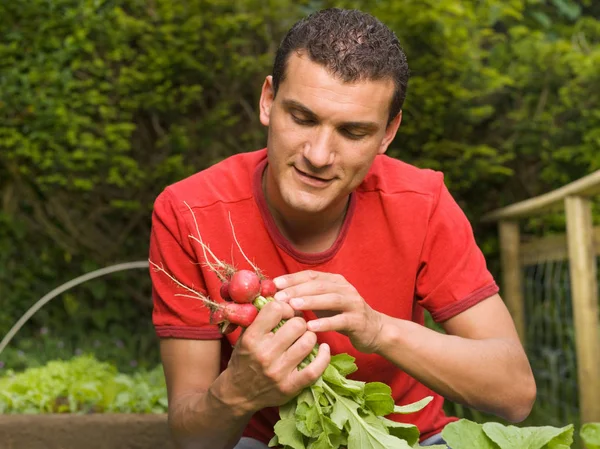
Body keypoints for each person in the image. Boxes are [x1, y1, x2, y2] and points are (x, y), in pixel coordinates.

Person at [149, 8, 536, 449]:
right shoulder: (188, 212)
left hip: (406, 438)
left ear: (388, 133)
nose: (318, 154)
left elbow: (515, 392)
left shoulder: (421, 202)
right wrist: (236, 392)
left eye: (352, 132)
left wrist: (377, 330)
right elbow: (192, 439)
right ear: (267, 101)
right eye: (302, 117)